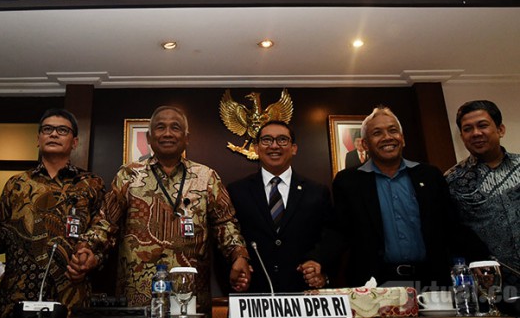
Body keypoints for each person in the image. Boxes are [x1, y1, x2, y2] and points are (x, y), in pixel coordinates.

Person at [85, 106, 251, 313]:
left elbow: (225, 223)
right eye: (160, 127)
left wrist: (239, 256)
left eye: (175, 127)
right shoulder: (129, 175)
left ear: (186, 138)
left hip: (191, 296)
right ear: (149, 137)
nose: (167, 133)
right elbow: (106, 222)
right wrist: (88, 249)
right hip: (138, 298)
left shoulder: (206, 177)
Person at [0, 108, 105, 318]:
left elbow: (103, 235)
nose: (54, 134)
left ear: (75, 142)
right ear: (38, 139)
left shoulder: (91, 184)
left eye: (62, 130)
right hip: (18, 295)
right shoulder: (16, 185)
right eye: (47, 129)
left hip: (71, 295)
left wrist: (92, 258)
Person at [333, 106, 460, 289]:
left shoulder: (430, 176)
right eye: (377, 133)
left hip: (432, 282)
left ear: (403, 138)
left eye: (393, 130)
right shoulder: (348, 182)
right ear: (365, 144)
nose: (387, 137)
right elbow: (338, 232)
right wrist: (318, 261)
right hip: (375, 285)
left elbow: (452, 226)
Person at [228, 120, 341, 293]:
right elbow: (227, 236)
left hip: (303, 292)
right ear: (256, 148)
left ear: (294, 148)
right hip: (254, 292)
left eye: (282, 140)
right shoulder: (236, 191)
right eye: (267, 140)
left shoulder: (317, 191)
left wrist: (318, 261)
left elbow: (331, 235)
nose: (274, 146)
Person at [445, 100, 520, 307]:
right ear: (462, 137)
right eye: (468, 129)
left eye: (483, 125)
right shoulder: (451, 181)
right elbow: (452, 235)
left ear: (500, 129)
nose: (476, 133)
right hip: (494, 288)